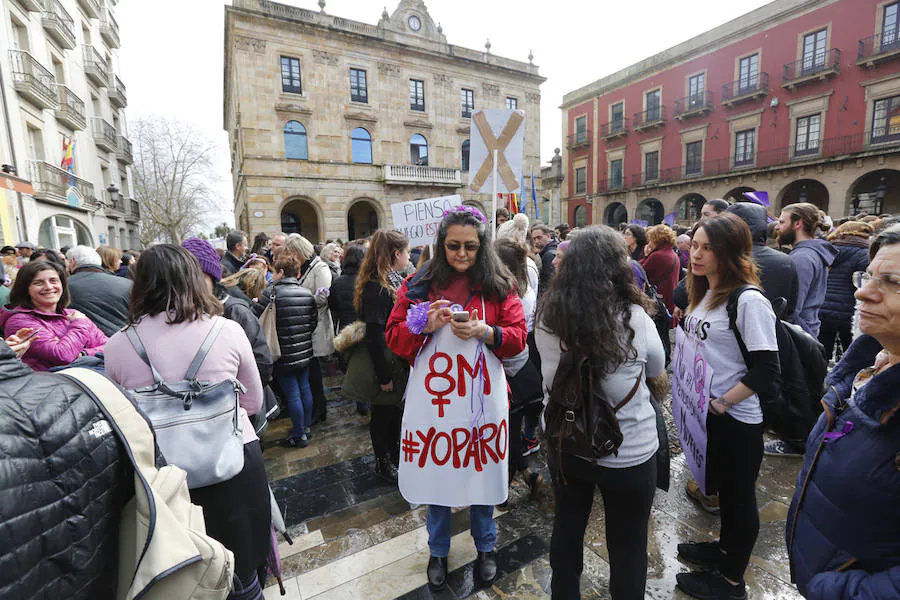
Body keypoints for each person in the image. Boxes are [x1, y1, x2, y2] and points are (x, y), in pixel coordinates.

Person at [104, 244, 270, 593]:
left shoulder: (118, 345)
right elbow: (253, 401)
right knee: (244, 572)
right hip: (233, 464)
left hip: (165, 481)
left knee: (188, 579)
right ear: (194, 279)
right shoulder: (225, 330)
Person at [386, 206, 527, 590]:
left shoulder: (499, 284)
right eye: (453, 246)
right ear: (440, 244)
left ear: (482, 247)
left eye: (470, 246)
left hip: (482, 402)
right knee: (438, 478)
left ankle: (486, 548)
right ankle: (438, 550)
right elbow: (394, 336)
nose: (461, 254)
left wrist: (487, 331)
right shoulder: (419, 283)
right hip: (436, 405)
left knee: (482, 477)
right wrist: (424, 324)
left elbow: (517, 337)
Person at [536, 226, 664, 600]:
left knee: (568, 526)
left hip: (567, 442)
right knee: (628, 544)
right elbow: (656, 367)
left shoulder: (546, 315)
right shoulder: (635, 317)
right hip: (629, 449)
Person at [786, 224, 900, 599]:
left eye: (892, 282)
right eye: (869, 276)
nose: (862, 291)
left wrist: (844, 590)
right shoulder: (864, 368)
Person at [675, 213, 781, 600]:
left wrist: (720, 403)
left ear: (730, 253)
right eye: (695, 246)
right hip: (707, 415)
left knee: (738, 498)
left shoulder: (749, 301)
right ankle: (722, 550)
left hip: (735, 419)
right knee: (717, 488)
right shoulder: (703, 293)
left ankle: (732, 581)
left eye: (708, 248)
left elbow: (767, 370)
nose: (696, 255)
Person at [0, 336, 133, 599]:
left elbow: (101, 342)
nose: (49, 290)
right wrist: (77, 332)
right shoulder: (86, 393)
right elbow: (63, 352)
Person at [183, 238, 275, 434]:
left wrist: (239, 404)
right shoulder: (180, 314)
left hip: (240, 416)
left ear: (212, 278)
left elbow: (262, 363)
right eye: (184, 278)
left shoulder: (236, 311)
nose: (191, 285)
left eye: (198, 277)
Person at [354, 230, 410, 481]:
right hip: (386, 361)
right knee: (383, 414)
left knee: (393, 412)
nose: (408, 257)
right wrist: (384, 375)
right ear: (396, 254)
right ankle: (383, 461)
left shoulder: (393, 279)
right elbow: (375, 336)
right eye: (406, 252)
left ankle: (394, 454)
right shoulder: (377, 287)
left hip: (396, 358)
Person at [494, 237, 543, 501]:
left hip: (511, 369)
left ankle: (508, 485)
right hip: (522, 366)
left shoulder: (511, 293)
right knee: (511, 429)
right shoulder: (523, 288)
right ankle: (524, 473)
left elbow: (509, 337)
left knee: (509, 430)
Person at [254, 254, 318, 447]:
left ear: (281, 272)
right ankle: (305, 427)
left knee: (293, 393)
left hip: (281, 354)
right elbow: (313, 322)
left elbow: (256, 317)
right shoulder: (307, 293)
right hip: (305, 351)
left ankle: (299, 435)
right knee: (305, 388)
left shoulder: (270, 293)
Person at [0, 260, 107, 371]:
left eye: (53, 281)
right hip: (49, 385)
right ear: (26, 289)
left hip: (89, 380)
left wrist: (83, 354)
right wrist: (80, 324)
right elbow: (62, 355)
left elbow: (109, 347)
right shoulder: (19, 320)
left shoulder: (72, 314)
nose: (48, 287)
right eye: (38, 283)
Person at [284, 233, 334, 425]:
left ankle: (320, 410)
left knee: (314, 373)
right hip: (306, 326)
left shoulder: (319, 267)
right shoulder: (305, 267)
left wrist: (298, 301)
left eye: (292, 253)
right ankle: (315, 408)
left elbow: (323, 297)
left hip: (317, 325)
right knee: (311, 373)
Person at [776, 203, 838, 337]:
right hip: (807, 330)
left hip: (799, 333)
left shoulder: (802, 257)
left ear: (797, 223)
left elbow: (793, 309)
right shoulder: (809, 253)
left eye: (782, 222)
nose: (777, 227)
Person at [819, 220, 873, 361]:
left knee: (822, 352)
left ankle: (819, 380)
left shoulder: (827, 249)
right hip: (849, 310)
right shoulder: (864, 254)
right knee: (852, 355)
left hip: (823, 307)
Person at [65, 245, 133, 337]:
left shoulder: (63, 286)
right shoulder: (127, 284)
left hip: (85, 344)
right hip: (124, 340)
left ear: (72, 262)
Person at [640, 225, 680, 314]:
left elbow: (639, 270)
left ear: (656, 239)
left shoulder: (658, 255)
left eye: (650, 239)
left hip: (660, 300)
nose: (649, 243)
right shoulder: (672, 253)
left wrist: (646, 256)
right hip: (669, 298)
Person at [329, 243, 365, 333]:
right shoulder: (370, 281)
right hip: (366, 331)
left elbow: (333, 307)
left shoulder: (337, 283)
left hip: (345, 332)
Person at [532, 223, 558, 295]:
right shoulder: (550, 251)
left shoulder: (549, 255)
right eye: (534, 239)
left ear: (548, 236)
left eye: (539, 237)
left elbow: (547, 283)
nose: (536, 241)